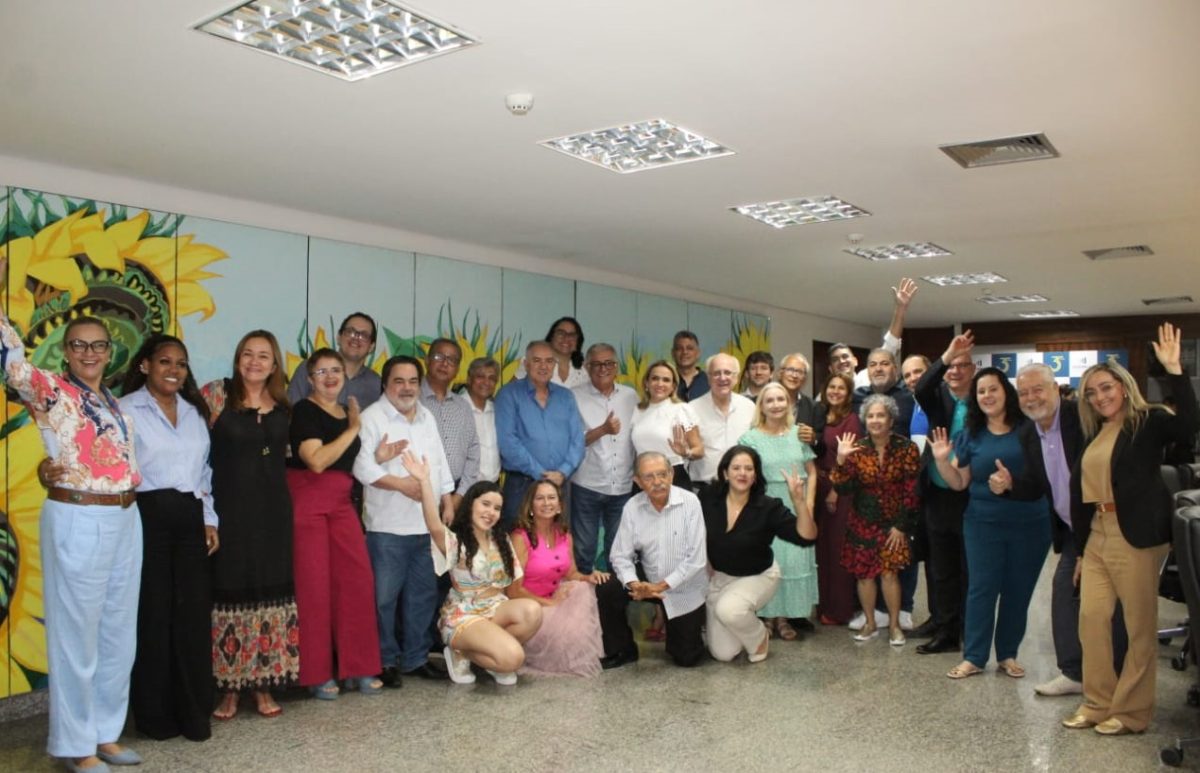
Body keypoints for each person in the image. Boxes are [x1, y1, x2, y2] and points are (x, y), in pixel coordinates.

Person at [1, 298, 144, 771]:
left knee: (117, 634)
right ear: (66, 351)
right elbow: (15, 367)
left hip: (125, 517)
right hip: (79, 516)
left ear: (109, 352)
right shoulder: (52, 390)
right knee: (76, 635)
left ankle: (106, 734)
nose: (89, 353)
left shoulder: (113, 400)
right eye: (79, 345)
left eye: (98, 346)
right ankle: (75, 745)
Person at [1061, 324, 1198, 735]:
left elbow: (1190, 425)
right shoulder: (1094, 433)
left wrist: (1174, 371)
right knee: (1091, 619)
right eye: (1091, 392)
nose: (1100, 397)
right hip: (1098, 535)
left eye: (1106, 388)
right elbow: (1082, 494)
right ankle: (1098, 701)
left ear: (1123, 386)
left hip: (1135, 536)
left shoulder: (1148, 422)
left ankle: (1132, 712)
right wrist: (1082, 550)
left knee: (1139, 627)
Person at [1001, 363, 1127, 697]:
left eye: (1038, 389)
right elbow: (1041, 486)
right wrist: (1011, 484)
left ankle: (1117, 676)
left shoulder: (1082, 419)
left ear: (1055, 388)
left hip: (1107, 526)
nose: (1031, 398)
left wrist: (1088, 549)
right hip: (1074, 531)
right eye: (1024, 393)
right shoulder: (1029, 432)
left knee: (1107, 605)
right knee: (1064, 595)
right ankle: (1074, 673)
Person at [121, 335, 217, 742]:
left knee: (193, 618)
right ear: (145, 366)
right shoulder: (125, 410)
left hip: (191, 519)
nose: (173, 370)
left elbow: (205, 475)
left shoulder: (195, 412)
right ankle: (155, 717)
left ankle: (193, 713)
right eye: (164, 362)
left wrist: (209, 519)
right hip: (148, 518)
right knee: (154, 618)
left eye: (180, 363)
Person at [202, 330, 299, 721]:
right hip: (228, 512)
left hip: (273, 515)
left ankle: (263, 686)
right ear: (237, 358)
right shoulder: (215, 396)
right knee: (230, 594)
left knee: (269, 596)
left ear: (275, 365)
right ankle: (228, 690)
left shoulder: (283, 408)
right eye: (247, 354)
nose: (254, 362)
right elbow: (194, 451)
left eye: (263, 356)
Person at [929, 367, 1049, 680]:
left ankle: (1008, 654)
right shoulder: (970, 434)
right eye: (980, 392)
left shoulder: (1030, 428)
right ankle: (975, 657)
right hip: (983, 523)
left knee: (1018, 590)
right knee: (981, 589)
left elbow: (1044, 475)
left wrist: (1012, 482)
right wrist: (942, 461)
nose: (986, 396)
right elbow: (959, 482)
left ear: (1005, 391)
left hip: (1031, 523)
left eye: (992, 389)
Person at [353, 355, 454, 687]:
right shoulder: (372, 418)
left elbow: (437, 462)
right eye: (399, 380)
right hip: (387, 528)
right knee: (384, 599)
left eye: (413, 381)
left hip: (426, 525)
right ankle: (384, 660)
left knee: (422, 596)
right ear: (386, 383)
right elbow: (362, 467)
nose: (407, 388)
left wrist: (446, 499)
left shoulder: (426, 417)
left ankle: (415, 658)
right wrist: (401, 485)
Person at [287, 348, 381, 700]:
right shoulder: (304, 410)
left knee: (356, 581)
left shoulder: (346, 410)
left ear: (345, 375)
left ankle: (358, 666)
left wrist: (380, 455)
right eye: (321, 371)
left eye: (335, 370)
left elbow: (348, 462)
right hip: (308, 500)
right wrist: (353, 427)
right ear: (310, 379)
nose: (329, 376)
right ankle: (315, 672)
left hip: (341, 500)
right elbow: (316, 460)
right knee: (314, 588)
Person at [404, 457, 544, 685]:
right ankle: (463, 652)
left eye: (497, 508)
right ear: (471, 504)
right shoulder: (456, 541)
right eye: (485, 504)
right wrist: (424, 482)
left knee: (532, 612)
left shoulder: (501, 540)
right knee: (514, 658)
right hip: (464, 614)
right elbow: (433, 524)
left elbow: (511, 586)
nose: (491, 512)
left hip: (494, 608)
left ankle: (488, 656)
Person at [700, 446, 816, 662]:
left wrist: (799, 501)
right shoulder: (708, 498)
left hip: (758, 576)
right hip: (720, 578)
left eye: (748, 469)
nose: (742, 473)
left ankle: (759, 636)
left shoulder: (768, 507)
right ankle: (740, 619)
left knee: (729, 611)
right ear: (725, 473)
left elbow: (807, 536)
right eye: (736, 468)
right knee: (723, 654)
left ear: (755, 476)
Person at [831, 395, 921, 646]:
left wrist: (902, 526)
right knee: (864, 576)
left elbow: (912, 491)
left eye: (881, 415)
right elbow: (843, 487)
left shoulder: (907, 448)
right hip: (862, 522)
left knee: (889, 574)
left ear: (891, 419)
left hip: (894, 525)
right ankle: (870, 622)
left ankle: (893, 626)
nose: (875, 420)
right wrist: (841, 459)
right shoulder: (856, 449)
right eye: (870, 416)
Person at [608, 453, 709, 667]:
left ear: (671, 474)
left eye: (662, 474)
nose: (657, 482)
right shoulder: (632, 507)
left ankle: (678, 628)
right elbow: (620, 555)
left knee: (687, 658)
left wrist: (659, 586)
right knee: (607, 588)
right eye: (649, 477)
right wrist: (634, 583)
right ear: (637, 481)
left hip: (683, 585)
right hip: (646, 576)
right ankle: (623, 649)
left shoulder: (690, 502)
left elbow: (696, 559)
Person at [913, 331, 977, 655]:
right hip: (937, 495)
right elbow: (922, 385)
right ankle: (946, 631)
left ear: (974, 369)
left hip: (972, 497)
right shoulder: (938, 396)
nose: (955, 371)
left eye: (963, 365)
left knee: (970, 568)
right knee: (942, 569)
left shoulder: (984, 400)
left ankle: (970, 632)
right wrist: (947, 355)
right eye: (952, 366)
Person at [739, 382, 818, 640]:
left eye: (781, 399)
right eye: (769, 400)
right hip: (765, 506)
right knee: (769, 563)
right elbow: (742, 475)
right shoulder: (749, 438)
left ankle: (784, 617)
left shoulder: (799, 434)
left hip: (796, 504)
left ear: (789, 403)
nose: (776, 404)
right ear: (761, 405)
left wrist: (808, 505)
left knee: (791, 562)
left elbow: (812, 472)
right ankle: (768, 617)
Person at [507, 480, 609, 676]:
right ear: (530, 505)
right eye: (540, 498)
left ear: (560, 505)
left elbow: (571, 573)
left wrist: (589, 577)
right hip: (529, 607)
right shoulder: (520, 537)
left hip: (555, 598)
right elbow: (513, 590)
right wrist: (550, 603)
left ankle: (570, 653)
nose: (547, 503)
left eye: (552, 497)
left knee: (582, 589)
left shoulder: (564, 534)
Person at [494, 341, 586, 528]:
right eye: (537, 361)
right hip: (522, 484)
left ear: (554, 365)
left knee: (556, 542)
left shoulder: (565, 396)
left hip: (560, 484)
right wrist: (541, 475)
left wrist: (563, 472)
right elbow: (508, 442)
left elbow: (578, 439)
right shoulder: (508, 394)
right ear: (526, 364)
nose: (543, 366)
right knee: (517, 543)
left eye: (549, 361)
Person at [570, 343, 637, 573]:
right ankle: (585, 604)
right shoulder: (574, 396)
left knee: (618, 551)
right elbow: (571, 442)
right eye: (597, 364)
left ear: (616, 367)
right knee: (584, 550)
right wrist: (603, 430)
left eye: (608, 363)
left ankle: (613, 603)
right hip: (587, 485)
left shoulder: (631, 396)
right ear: (587, 367)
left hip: (623, 486)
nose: (603, 368)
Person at [813, 373, 862, 625]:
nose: (835, 391)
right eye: (831, 386)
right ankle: (825, 605)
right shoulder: (821, 416)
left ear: (848, 393)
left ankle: (840, 610)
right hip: (818, 485)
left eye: (840, 388)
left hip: (839, 490)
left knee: (837, 549)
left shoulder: (851, 420)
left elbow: (851, 461)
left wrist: (836, 490)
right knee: (823, 551)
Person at [421, 337, 481, 505]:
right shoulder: (412, 399)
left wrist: (459, 495)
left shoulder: (463, 406)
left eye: (452, 360)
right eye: (439, 357)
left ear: (457, 369)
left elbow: (473, 452)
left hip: (456, 493)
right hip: (418, 491)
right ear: (427, 360)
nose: (445, 364)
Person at [827, 278, 917, 389]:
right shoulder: (827, 395)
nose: (841, 361)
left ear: (855, 361)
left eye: (845, 356)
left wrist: (900, 309)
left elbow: (891, 343)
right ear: (830, 368)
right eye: (835, 359)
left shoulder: (866, 377)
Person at [630, 360, 703, 491]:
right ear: (646, 383)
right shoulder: (637, 410)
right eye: (655, 378)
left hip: (673, 478)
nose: (660, 384)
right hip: (643, 479)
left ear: (673, 386)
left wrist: (685, 452)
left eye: (666, 380)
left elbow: (699, 450)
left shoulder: (681, 410)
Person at [688, 353, 756, 492]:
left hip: (742, 490)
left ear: (736, 378)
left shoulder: (749, 407)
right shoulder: (691, 409)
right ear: (708, 378)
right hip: (704, 490)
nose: (722, 378)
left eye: (727, 373)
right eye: (716, 373)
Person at [287, 312, 381, 408]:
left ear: (371, 347)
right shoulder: (310, 367)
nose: (355, 338)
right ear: (338, 337)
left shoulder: (377, 384)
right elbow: (290, 411)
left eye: (364, 335)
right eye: (350, 332)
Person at [513, 316, 588, 388]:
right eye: (561, 333)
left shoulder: (586, 370)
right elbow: (510, 393)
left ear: (578, 340)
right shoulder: (532, 361)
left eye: (571, 335)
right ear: (551, 336)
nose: (566, 338)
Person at [464, 357, 501, 483]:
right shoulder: (457, 407)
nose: (486, 382)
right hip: (464, 489)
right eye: (480, 376)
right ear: (469, 379)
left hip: (493, 486)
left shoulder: (498, 410)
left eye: (492, 378)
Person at [777, 353, 822, 449]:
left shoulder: (814, 407)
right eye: (790, 370)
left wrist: (814, 439)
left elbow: (822, 446)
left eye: (800, 372)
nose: (794, 375)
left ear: (805, 378)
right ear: (780, 373)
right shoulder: (765, 402)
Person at [672, 330, 709, 401]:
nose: (685, 352)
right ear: (673, 353)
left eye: (689, 348)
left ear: (698, 353)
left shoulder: (709, 381)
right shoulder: (666, 380)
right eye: (679, 348)